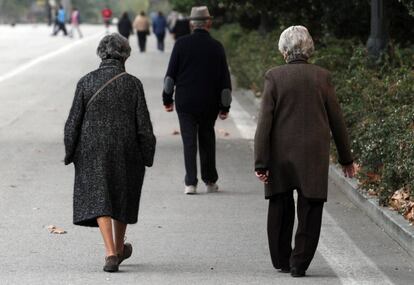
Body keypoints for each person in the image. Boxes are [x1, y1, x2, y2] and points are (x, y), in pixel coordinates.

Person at [254, 26, 357, 278]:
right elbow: (337, 120)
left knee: (279, 203)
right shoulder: (322, 77)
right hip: (313, 154)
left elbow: (264, 123)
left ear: (283, 50)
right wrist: (346, 159)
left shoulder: (274, 77)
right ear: (309, 49)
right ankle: (299, 263)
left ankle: (281, 260)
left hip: (279, 154)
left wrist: (261, 162)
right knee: (310, 207)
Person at [64, 33, 156, 273]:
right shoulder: (132, 83)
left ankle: (111, 252)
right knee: (121, 195)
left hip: (92, 149)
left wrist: (70, 151)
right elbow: (143, 125)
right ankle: (117, 247)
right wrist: (147, 153)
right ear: (125, 55)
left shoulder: (86, 81)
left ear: (100, 54)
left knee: (100, 198)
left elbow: (73, 121)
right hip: (126, 150)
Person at [162, 6, 232, 195]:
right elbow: (224, 80)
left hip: (185, 101)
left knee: (189, 140)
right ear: (209, 23)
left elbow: (170, 77)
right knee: (207, 138)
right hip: (209, 102)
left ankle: (190, 183)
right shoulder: (216, 47)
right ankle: (210, 181)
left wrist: (167, 99)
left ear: (192, 24)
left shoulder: (181, 44)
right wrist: (225, 106)